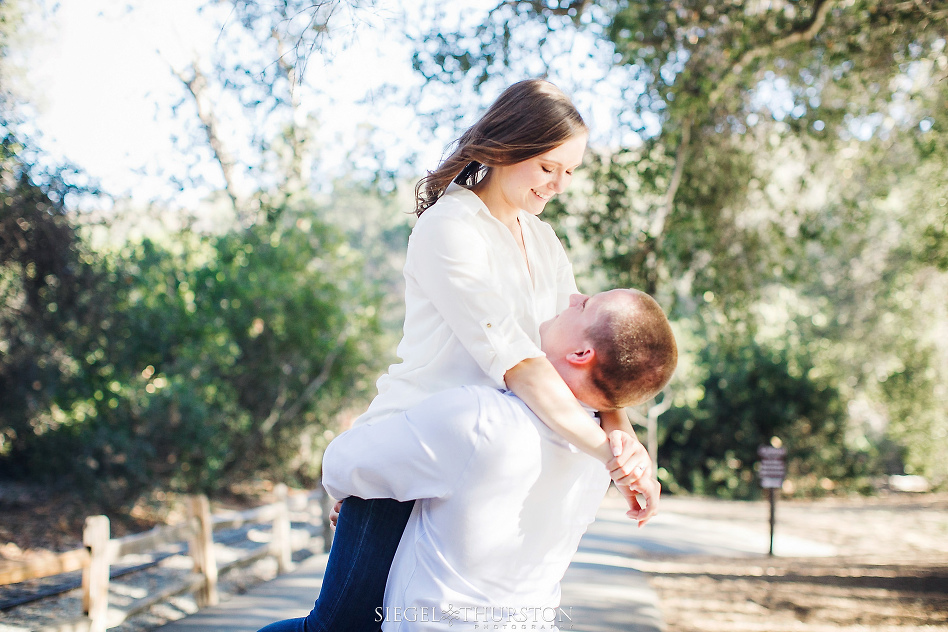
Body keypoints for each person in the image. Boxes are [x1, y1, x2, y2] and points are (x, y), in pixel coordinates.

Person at [258, 80, 658, 632]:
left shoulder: (544, 241)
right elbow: (521, 363)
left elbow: (579, 364)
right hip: (410, 443)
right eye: (549, 167)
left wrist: (623, 438)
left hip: (485, 462)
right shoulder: (449, 227)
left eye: (571, 171)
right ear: (509, 146)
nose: (561, 185)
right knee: (343, 627)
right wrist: (606, 453)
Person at [321, 288, 678, 631]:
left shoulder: (478, 418)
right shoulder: (601, 459)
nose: (573, 297)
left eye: (585, 306)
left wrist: (362, 491)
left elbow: (341, 463)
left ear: (582, 354)